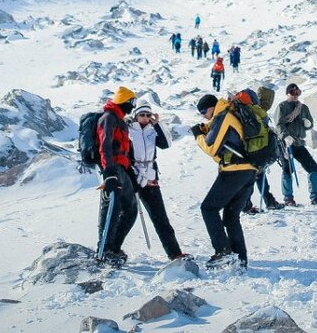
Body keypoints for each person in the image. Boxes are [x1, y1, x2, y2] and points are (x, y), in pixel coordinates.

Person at [191, 92, 257, 268]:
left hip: (234, 170)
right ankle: (240, 260)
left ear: (213, 107)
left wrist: (198, 136)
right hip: (249, 171)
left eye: (204, 111)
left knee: (208, 208)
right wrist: (206, 129)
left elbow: (212, 148)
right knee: (231, 216)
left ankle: (222, 252)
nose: (204, 115)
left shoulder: (224, 115)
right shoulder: (229, 113)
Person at [126, 103, 187, 261]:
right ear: (136, 116)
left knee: (160, 217)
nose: (145, 118)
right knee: (126, 215)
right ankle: (112, 249)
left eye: (148, 115)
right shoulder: (129, 130)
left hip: (151, 178)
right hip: (133, 176)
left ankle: (175, 253)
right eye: (142, 115)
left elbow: (166, 144)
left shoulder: (151, 131)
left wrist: (157, 124)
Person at [96, 86, 140, 266]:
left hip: (122, 170)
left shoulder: (120, 120)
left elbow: (123, 149)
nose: (133, 106)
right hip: (112, 170)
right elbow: (104, 146)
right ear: (125, 101)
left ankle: (114, 247)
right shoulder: (109, 118)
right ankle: (104, 250)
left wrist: (130, 172)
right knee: (111, 209)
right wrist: (109, 173)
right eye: (132, 102)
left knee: (130, 209)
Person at [275, 83, 317, 205]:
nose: (295, 96)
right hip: (285, 144)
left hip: (299, 143)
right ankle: (288, 199)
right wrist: (285, 137)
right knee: (287, 170)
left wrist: (308, 124)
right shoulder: (282, 106)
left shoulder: (303, 108)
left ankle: (315, 196)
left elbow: (310, 123)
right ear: (287, 94)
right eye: (292, 93)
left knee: (312, 167)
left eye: (297, 93)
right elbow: (279, 124)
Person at [244, 84, 283, 213]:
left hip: (253, 149)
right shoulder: (255, 111)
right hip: (254, 150)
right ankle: (247, 205)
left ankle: (267, 201)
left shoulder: (252, 109)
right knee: (252, 177)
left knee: (258, 176)